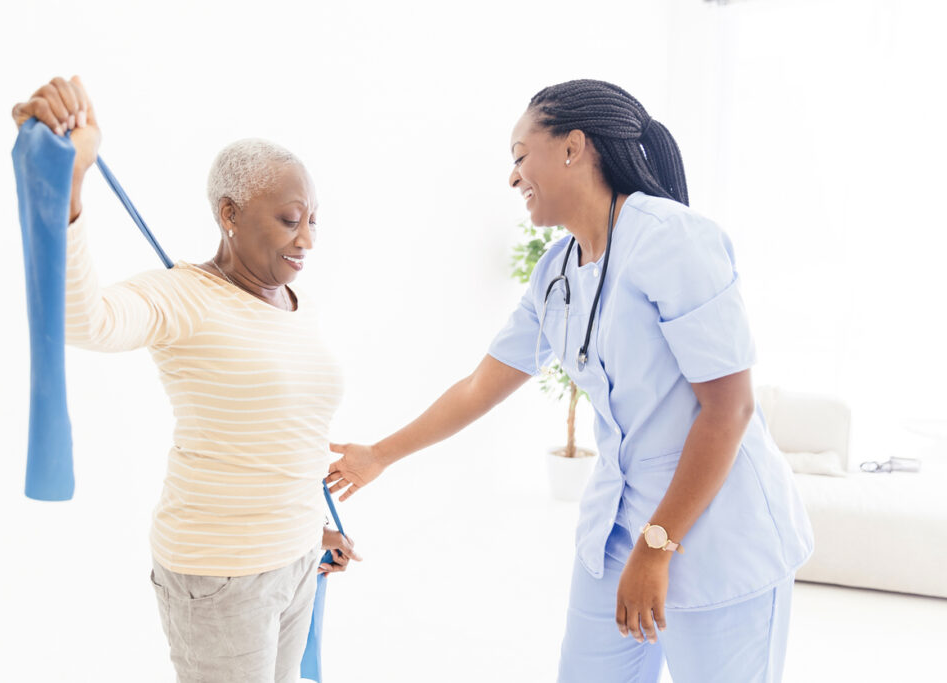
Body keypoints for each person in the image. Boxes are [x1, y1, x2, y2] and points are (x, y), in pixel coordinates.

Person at [325, 79, 813, 683]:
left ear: (572, 147)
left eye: (519, 155)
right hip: (615, 531)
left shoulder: (671, 238)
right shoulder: (556, 270)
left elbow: (730, 410)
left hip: (715, 533)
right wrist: (379, 454)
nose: (512, 177)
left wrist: (657, 545)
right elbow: (480, 386)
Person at [11, 75, 362, 683]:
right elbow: (83, 319)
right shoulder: (183, 296)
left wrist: (311, 528)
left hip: (296, 559)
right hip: (219, 573)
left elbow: (283, 433)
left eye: (313, 220)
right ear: (229, 214)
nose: (306, 239)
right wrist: (70, 182)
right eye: (288, 219)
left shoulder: (287, 304)